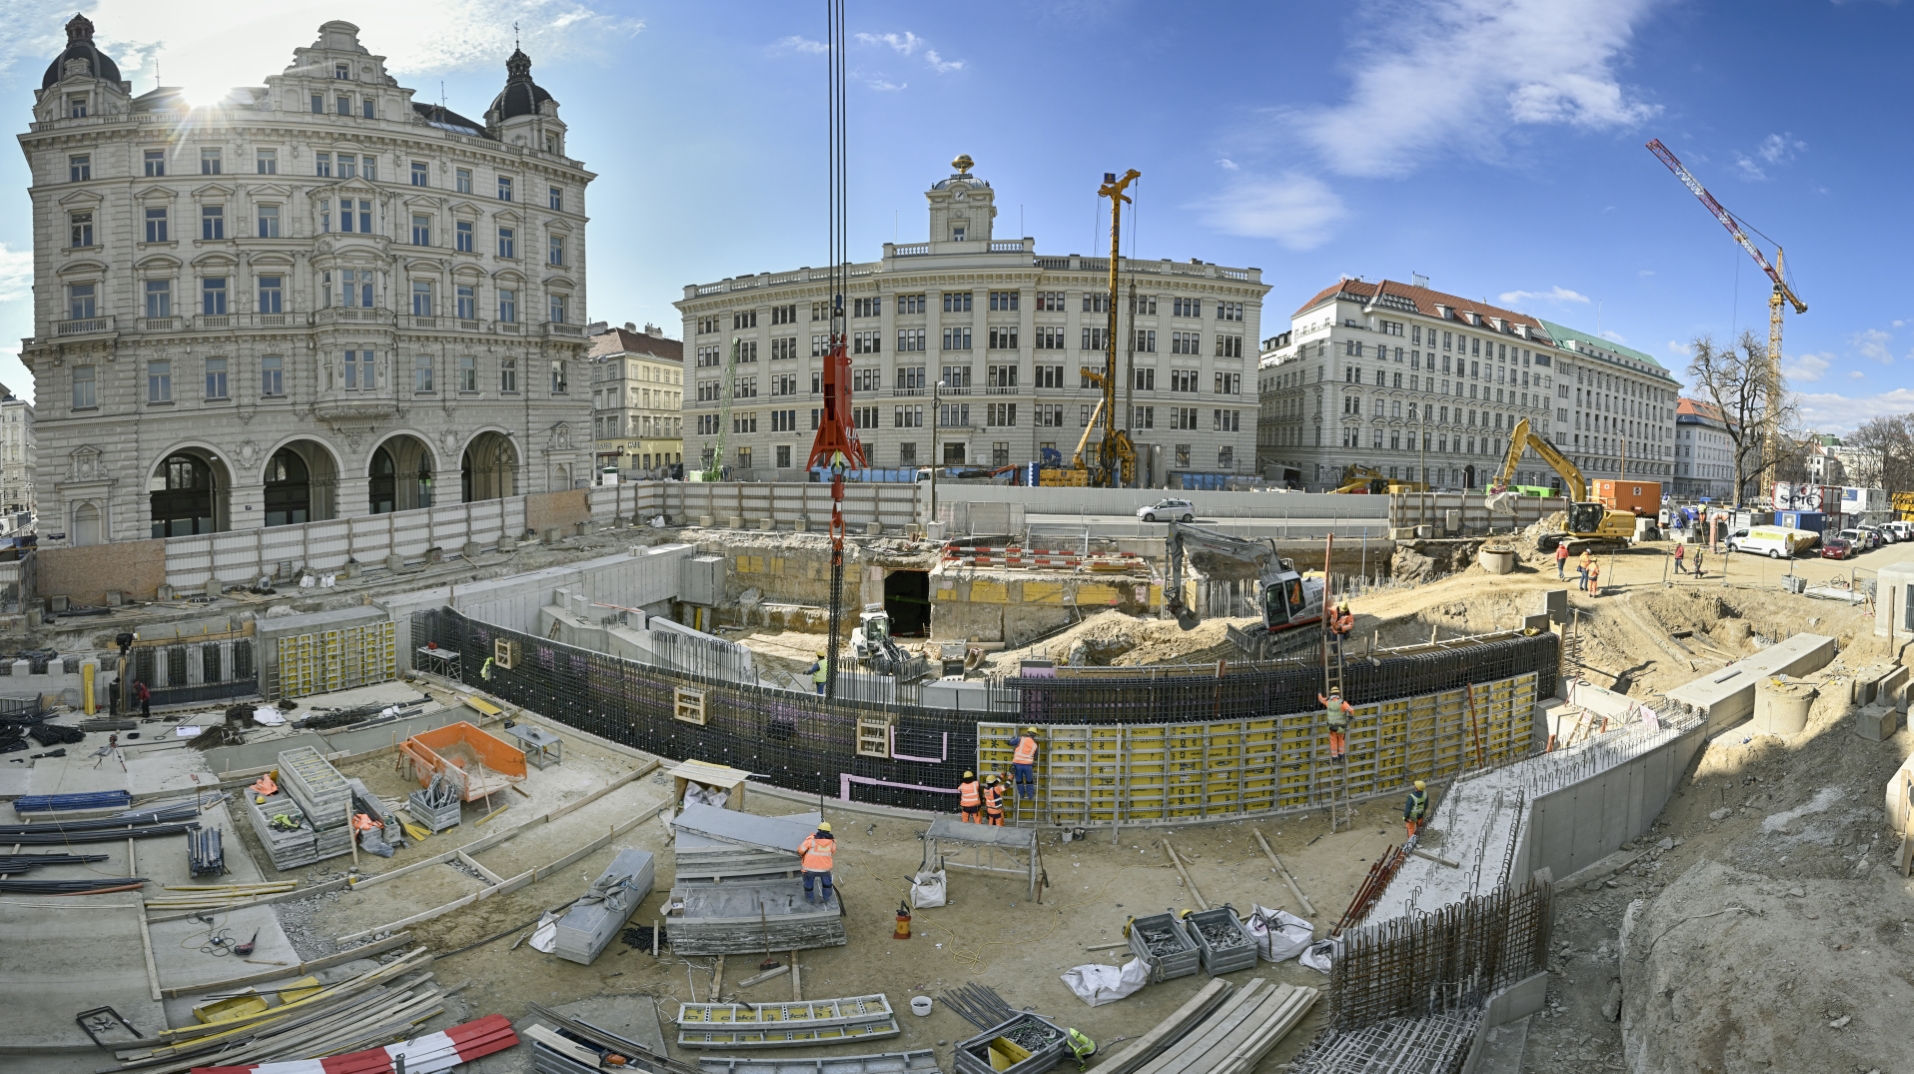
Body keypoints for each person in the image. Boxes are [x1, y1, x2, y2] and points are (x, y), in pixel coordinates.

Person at [797, 821, 836, 904]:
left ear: (818, 830)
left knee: (808, 885)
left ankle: (810, 900)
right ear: (829, 831)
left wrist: (804, 855)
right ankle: (826, 899)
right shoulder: (832, 843)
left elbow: (800, 850)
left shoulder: (811, 840)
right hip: (825, 870)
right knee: (827, 885)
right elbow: (832, 853)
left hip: (809, 869)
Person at [1005, 727, 1040, 799]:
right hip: (1028, 765)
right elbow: (1035, 756)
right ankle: (1030, 796)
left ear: (1027, 732)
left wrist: (1012, 740)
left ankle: (1022, 795)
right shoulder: (1035, 744)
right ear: (1035, 735)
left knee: (1019, 780)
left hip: (1017, 764)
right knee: (1029, 781)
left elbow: (1009, 743)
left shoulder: (1020, 739)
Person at [1318, 691, 1353, 762]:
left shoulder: (1328, 701)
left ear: (1331, 694)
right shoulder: (1342, 702)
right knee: (1341, 740)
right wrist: (1351, 716)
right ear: (1338, 694)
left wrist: (1319, 692)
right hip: (1340, 727)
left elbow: (1320, 699)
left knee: (1333, 741)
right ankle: (1341, 755)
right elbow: (1351, 709)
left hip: (1331, 727)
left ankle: (1334, 757)